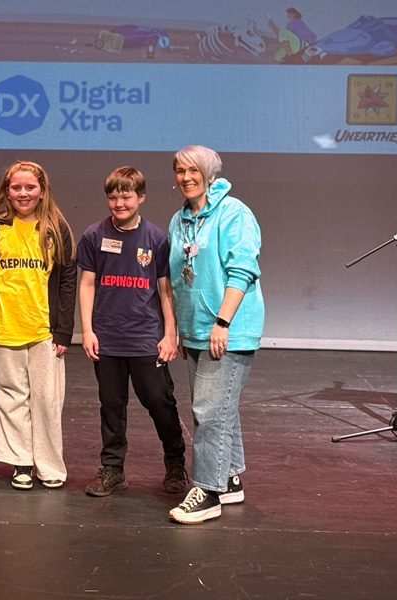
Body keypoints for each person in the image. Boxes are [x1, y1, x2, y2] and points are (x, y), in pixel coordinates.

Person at [166, 145, 264, 525]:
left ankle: (207, 491)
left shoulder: (234, 213)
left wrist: (222, 323)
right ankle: (229, 477)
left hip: (228, 328)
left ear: (209, 174)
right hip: (194, 328)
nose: (186, 177)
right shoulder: (180, 220)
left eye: (193, 170)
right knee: (219, 407)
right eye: (179, 171)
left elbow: (242, 270)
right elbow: (177, 276)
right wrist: (176, 326)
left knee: (208, 411)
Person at [78, 167, 188, 498]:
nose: (118, 203)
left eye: (126, 196)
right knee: (111, 405)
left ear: (141, 197)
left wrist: (170, 334)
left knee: (158, 401)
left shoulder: (156, 238)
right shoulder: (93, 236)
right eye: (113, 196)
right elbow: (86, 285)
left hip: (145, 338)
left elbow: (166, 290)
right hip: (108, 338)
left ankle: (175, 462)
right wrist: (86, 330)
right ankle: (112, 468)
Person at [0, 161, 76, 490]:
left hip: (44, 330)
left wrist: (63, 330)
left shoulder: (55, 228)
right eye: (16, 187)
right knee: (11, 398)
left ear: (42, 191)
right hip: (5, 326)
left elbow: (66, 282)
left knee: (47, 401)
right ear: (7, 191)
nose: (23, 193)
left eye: (29, 187)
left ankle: (48, 465)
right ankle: (20, 461)